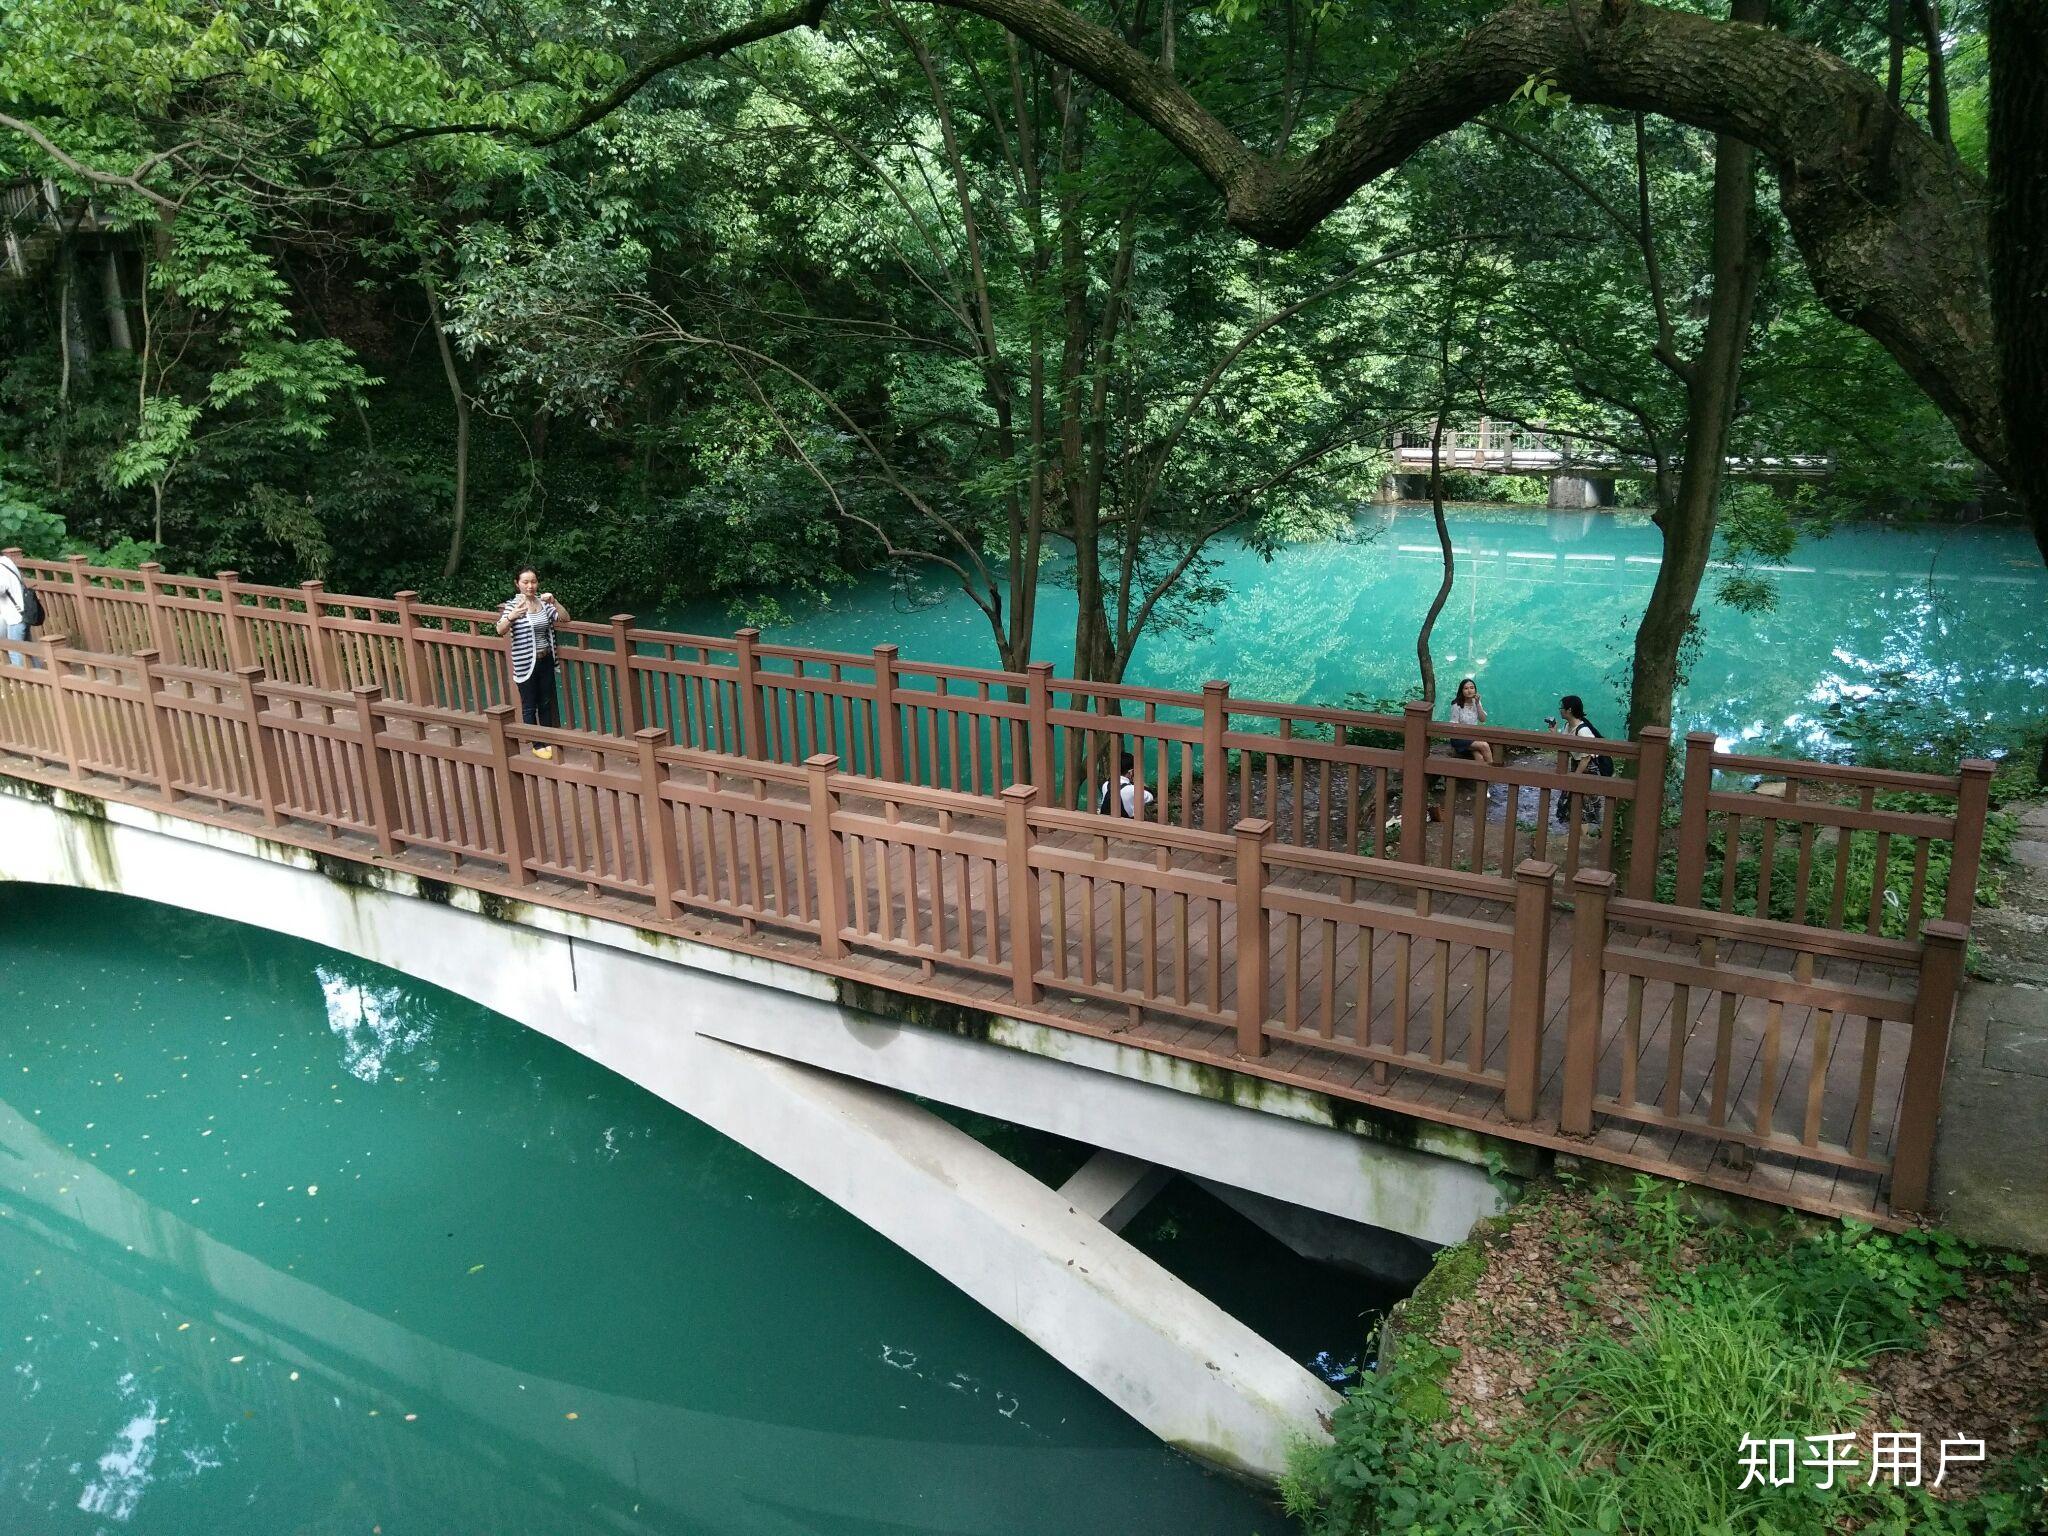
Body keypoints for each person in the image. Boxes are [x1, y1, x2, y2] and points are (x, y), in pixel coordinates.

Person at [496, 567, 569, 758]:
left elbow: (564, 618)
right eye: (526, 582)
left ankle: (547, 739)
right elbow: (500, 629)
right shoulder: (514, 605)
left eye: (533, 581)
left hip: (545, 660)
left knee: (545, 702)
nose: (530, 586)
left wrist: (554, 601)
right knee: (529, 705)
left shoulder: (543, 604)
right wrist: (511, 617)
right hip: (525, 663)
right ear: (517, 584)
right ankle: (537, 744)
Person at [1545, 694, 1613, 825]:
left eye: (1562, 707)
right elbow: (1564, 743)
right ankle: (1580, 834)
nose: (1560, 710)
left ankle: (1587, 835)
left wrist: (1575, 777)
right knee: (1574, 802)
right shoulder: (1568, 726)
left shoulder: (1583, 731)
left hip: (1588, 769)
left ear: (1569, 710)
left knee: (1584, 804)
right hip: (1577, 767)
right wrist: (1554, 733)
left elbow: (1586, 758)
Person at [1446, 677, 1493, 765]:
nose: (1469, 690)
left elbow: (1482, 719)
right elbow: (1453, 725)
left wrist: (1478, 703)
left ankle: (1483, 777)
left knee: (1479, 757)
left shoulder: (1476, 702)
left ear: (1475, 690)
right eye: (1466, 688)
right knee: (1484, 745)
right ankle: (1494, 774)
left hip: (1473, 737)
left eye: (1472, 688)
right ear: (1462, 691)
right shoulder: (1456, 705)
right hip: (1459, 738)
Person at [1097, 752, 1157, 818]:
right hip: (1125, 825)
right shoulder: (1132, 790)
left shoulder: (1106, 785)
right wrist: (1138, 780)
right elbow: (1151, 796)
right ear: (1131, 772)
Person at [0, 551, 33, 668]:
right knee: (28, 648)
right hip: (22, 612)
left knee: (14, 650)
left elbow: (2, 588)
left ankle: (22, 681)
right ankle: (40, 674)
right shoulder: (6, 561)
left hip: (15, 615)